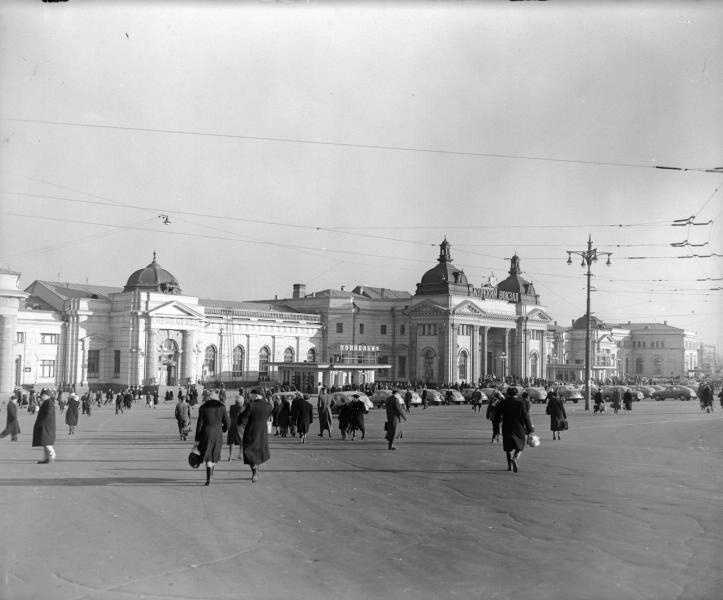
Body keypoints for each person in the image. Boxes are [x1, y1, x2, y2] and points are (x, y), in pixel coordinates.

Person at [492, 387, 534, 473]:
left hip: (506, 426)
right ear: (517, 394)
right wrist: (530, 429)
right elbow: (526, 417)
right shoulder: (520, 403)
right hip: (518, 427)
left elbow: (496, 417)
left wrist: (496, 430)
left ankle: (509, 466)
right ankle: (515, 458)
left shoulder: (503, 403)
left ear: (507, 394)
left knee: (508, 447)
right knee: (521, 444)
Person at [194, 391, 229, 486]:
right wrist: (223, 429)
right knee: (214, 454)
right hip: (218, 434)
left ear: (209, 398)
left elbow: (199, 425)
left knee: (208, 455)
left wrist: (197, 438)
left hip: (206, 434)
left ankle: (208, 477)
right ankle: (211, 474)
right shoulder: (222, 407)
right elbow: (227, 423)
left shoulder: (203, 408)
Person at [238, 390, 272, 482]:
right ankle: (256, 469)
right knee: (259, 450)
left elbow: (244, 416)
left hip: (251, 431)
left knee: (249, 451)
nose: (250, 396)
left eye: (251, 395)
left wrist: (239, 419)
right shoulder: (268, 405)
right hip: (263, 432)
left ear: (256, 395)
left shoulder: (251, 405)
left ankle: (255, 470)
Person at [32, 389, 57, 463]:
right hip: (45, 426)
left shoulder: (49, 403)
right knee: (44, 443)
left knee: (47, 443)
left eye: (43, 395)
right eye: (41, 395)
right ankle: (46, 458)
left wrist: (42, 422)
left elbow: (48, 414)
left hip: (47, 426)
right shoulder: (46, 402)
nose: (41, 397)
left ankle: (52, 454)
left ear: (48, 396)